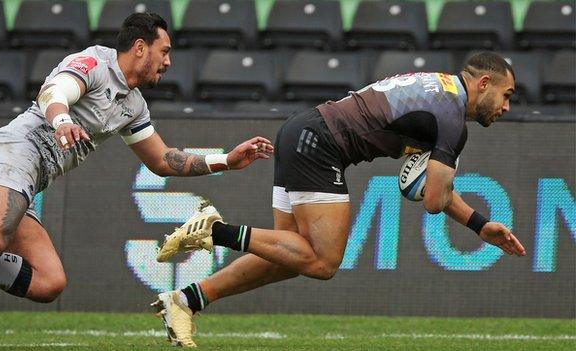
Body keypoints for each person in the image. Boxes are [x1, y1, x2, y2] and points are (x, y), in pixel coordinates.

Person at [153, 52, 527, 347]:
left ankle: (187, 300)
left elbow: (435, 191)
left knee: (289, 256)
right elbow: (432, 200)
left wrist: (478, 225)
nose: (506, 107)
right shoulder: (452, 120)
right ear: (483, 82)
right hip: (320, 145)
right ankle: (216, 231)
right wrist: (437, 184)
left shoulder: (439, 89)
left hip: (302, 131)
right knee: (323, 261)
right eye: (506, 95)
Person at [0, 13, 273, 304]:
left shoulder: (134, 106)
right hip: (8, 154)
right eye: (164, 51)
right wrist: (63, 121)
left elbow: (163, 160)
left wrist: (226, 161)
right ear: (139, 47)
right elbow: (54, 93)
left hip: (24, 176)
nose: (169, 62)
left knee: (49, 282)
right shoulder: (94, 62)